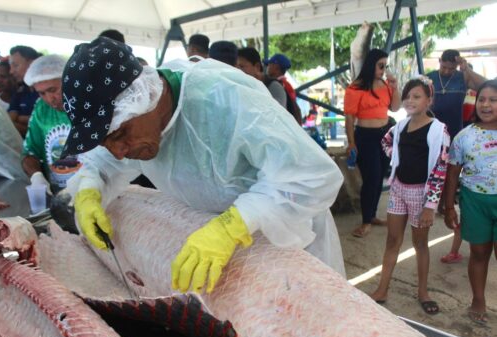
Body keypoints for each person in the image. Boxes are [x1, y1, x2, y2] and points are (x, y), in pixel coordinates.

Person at [61, 37, 345, 294]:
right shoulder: (133, 126)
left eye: (119, 135)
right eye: (105, 141)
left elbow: (310, 175)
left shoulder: (222, 97)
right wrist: (89, 190)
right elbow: (104, 162)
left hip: (290, 239)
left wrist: (230, 228)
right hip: (225, 257)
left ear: (146, 98)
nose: (119, 153)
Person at [369, 77, 449, 315]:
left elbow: (440, 168)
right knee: (392, 240)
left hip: (420, 195)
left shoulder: (438, 129)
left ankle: (423, 292)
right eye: (407, 96)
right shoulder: (401, 125)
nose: (410, 100)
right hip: (398, 189)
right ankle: (382, 289)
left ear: (429, 100)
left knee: (420, 244)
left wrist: (430, 205)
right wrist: (396, 159)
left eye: (417, 96)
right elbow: (386, 141)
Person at [444, 80, 497, 325]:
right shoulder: (464, 137)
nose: (486, 105)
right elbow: (452, 174)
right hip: (474, 201)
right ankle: (478, 299)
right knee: (478, 252)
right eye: (482, 99)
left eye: (493, 100)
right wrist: (448, 207)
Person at [427, 51, 485, 262]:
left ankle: (445, 204)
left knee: (450, 172)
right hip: (432, 132)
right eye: (444, 66)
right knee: (433, 170)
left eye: (451, 68)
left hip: (455, 132)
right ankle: (433, 204)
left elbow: (485, 85)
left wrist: (466, 68)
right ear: (440, 62)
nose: (447, 71)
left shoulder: (463, 77)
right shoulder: (431, 77)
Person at [344, 48, 401, 238]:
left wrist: (395, 86)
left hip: (384, 134)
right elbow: (350, 118)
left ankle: (372, 215)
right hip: (365, 136)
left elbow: (394, 107)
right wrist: (352, 143)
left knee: (379, 177)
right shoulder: (355, 88)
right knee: (371, 178)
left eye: (385, 66)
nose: (383, 70)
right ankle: (366, 221)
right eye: (380, 66)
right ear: (371, 65)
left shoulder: (385, 85)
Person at [21, 54, 79, 195]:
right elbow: (30, 152)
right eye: (42, 93)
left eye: (53, 90)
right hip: (57, 192)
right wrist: (36, 176)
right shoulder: (41, 108)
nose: (49, 99)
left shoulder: (87, 105)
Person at [9, 45, 41, 136]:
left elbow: (49, 123)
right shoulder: (20, 91)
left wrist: (20, 118)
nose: (11, 71)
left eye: (15, 65)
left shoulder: (48, 91)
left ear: (32, 63)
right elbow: (8, 122)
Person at [264, 53, 302, 123]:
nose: (267, 67)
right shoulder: (286, 84)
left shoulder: (279, 85)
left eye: (270, 64)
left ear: (276, 68)